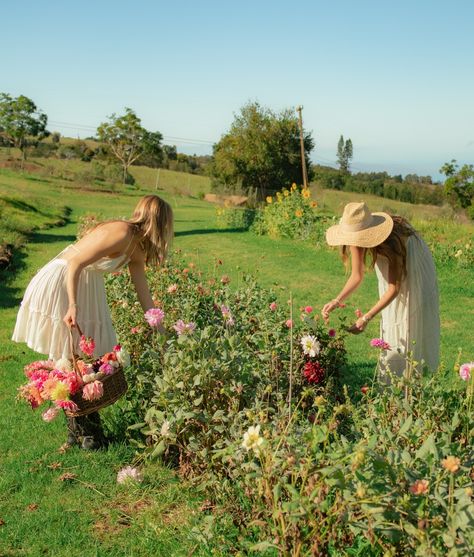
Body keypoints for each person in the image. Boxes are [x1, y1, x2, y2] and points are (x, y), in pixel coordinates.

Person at [12, 194, 174, 449]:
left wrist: (160, 331)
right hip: (65, 280)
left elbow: (144, 295)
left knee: (82, 358)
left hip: (86, 284)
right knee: (75, 356)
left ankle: (82, 434)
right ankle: (88, 436)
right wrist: (73, 304)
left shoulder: (137, 249)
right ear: (161, 222)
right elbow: (75, 262)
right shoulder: (122, 232)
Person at [321, 201, 439, 379]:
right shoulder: (357, 233)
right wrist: (336, 300)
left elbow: (394, 288)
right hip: (396, 269)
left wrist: (366, 318)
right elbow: (356, 275)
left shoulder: (393, 241)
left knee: (409, 318)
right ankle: (395, 380)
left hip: (415, 267)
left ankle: (411, 382)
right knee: (392, 316)